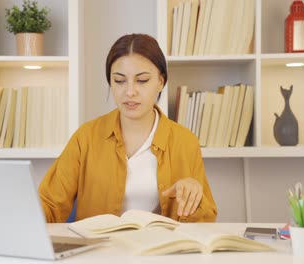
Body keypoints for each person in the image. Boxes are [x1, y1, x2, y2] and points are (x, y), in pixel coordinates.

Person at [38, 33, 217, 223]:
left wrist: (193, 197)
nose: (130, 92)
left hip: (158, 250)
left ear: (160, 82)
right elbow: (49, 204)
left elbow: (204, 221)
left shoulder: (184, 141)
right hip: (100, 250)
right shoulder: (86, 137)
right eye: (119, 81)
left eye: (142, 80)